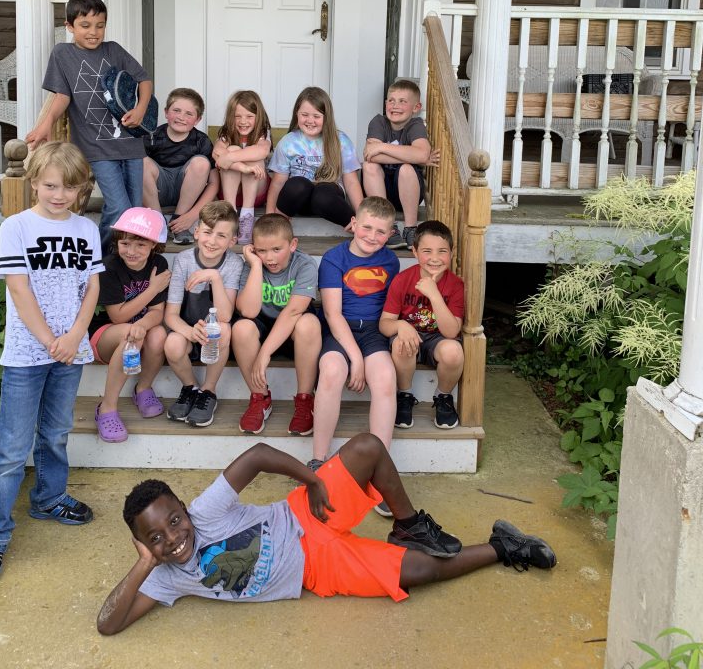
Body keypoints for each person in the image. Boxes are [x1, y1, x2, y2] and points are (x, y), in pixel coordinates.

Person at [96, 432, 556, 633]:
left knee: (367, 448)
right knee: (419, 574)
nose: (173, 538)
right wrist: (142, 565)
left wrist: (312, 479)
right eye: (155, 538)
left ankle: (411, 525)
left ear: (182, 509)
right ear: (143, 544)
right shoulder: (163, 578)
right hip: (316, 570)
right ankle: (504, 545)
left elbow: (256, 455)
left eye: (173, 521)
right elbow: (108, 625)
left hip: (303, 514)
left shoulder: (204, 512)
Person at [0, 141, 104, 587]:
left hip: (70, 351)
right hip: (29, 354)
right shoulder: (17, 227)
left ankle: (48, 497)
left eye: (68, 187)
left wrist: (75, 337)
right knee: (10, 449)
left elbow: (92, 289)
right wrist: (50, 340)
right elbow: (19, 289)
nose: (59, 194)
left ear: (82, 188)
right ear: (34, 184)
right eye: (49, 185)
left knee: (56, 433)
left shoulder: (86, 229)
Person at [26, 0, 153, 251]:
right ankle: (100, 257)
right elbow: (62, 96)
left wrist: (140, 109)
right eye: (85, 26)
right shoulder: (63, 54)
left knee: (134, 207)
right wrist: (46, 123)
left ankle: (117, 257)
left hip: (130, 141)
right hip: (95, 145)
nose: (93, 32)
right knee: (119, 207)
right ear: (70, 26)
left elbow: (144, 80)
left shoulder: (114, 50)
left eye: (100, 25)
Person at [310, 197, 400, 495]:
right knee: (332, 370)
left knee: (386, 378)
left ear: (390, 234)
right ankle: (318, 460)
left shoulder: (390, 261)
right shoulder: (334, 259)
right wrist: (356, 361)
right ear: (354, 224)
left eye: (381, 232)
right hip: (341, 329)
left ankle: (380, 468)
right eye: (367, 228)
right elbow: (333, 315)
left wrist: (368, 357)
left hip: (374, 332)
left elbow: (391, 308)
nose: (372, 237)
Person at [89, 207, 172, 443]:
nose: (131, 251)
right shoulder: (109, 267)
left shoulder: (159, 263)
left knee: (157, 336)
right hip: (105, 336)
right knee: (130, 336)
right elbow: (118, 316)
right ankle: (107, 408)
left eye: (140, 245)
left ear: (154, 244)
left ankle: (143, 389)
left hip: (138, 332)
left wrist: (142, 326)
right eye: (125, 244)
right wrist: (153, 289)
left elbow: (157, 313)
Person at [233, 213, 321, 435]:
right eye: (261, 251)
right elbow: (248, 310)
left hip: (293, 334)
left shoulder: (305, 265)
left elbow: (293, 312)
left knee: (309, 323)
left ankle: (304, 400)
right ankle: (259, 398)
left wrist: (264, 354)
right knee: (241, 328)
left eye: (276, 250)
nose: (269, 258)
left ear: (292, 245)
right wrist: (254, 266)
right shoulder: (252, 266)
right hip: (262, 327)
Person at [163, 201, 244, 429]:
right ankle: (190, 388)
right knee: (172, 343)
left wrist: (214, 277)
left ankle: (208, 391)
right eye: (208, 232)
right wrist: (189, 331)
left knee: (225, 329)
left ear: (232, 241)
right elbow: (170, 315)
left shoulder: (234, 264)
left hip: (216, 336)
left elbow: (226, 316)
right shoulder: (184, 260)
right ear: (197, 232)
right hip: (189, 330)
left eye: (221, 236)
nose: (212, 241)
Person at [380, 220, 465, 431]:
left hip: (438, 339)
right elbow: (384, 324)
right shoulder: (402, 281)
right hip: (410, 337)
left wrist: (434, 294)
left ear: (452, 253)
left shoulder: (455, 285)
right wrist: (400, 325)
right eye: (427, 251)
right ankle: (405, 395)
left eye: (442, 251)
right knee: (401, 343)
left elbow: (452, 331)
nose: (435, 258)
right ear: (415, 252)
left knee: (453, 351)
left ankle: (443, 397)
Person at [267, 86, 362, 229]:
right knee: (297, 185)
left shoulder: (340, 140)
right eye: (305, 114)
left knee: (322, 194)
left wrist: (362, 216)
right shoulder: (288, 142)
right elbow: (278, 183)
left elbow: (351, 182)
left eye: (316, 116)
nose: (310, 120)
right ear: (296, 114)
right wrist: (269, 215)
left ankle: (357, 227)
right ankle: (278, 225)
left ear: (326, 117)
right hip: (300, 201)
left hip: (329, 199)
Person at [362, 79, 436, 249]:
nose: (395, 106)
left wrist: (381, 147)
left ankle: (410, 229)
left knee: (407, 169)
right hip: (380, 192)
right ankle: (388, 226)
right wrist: (413, 155)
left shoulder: (415, 125)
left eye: (403, 101)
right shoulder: (379, 122)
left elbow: (422, 153)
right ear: (386, 103)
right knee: (369, 166)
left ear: (416, 108)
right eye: (391, 101)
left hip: (408, 192)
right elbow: (370, 156)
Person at [143, 88, 219, 245]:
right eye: (176, 110)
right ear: (166, 112)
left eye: (189, 114)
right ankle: (157, 221)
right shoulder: (152, 137)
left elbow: (214, 183)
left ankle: (179, 223)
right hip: (158, 193)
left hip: (187, 197)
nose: (181, 117)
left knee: (201, 163)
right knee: (141, 162)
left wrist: (192, 215)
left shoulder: (201, 141)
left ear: (197, 119)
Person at [212, 90, 272, 246]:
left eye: (249, 117)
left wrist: (230, 158)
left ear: (258, 117)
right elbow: (217, 152)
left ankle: (246, 219)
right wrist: (242, 168)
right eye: (237, 116)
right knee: (232, 149)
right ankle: (230, 215)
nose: (243, 121)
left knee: (251, 156)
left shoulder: (262, 133)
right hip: (230, 193)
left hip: (255, 193)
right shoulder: (226, 132)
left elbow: (262, 151)